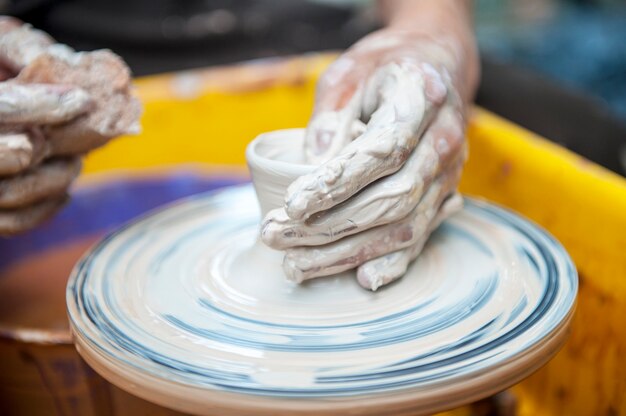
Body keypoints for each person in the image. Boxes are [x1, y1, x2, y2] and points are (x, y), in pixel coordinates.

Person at [0, 0, 479, 290]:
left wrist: (431, 33)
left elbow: (430, 15)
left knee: (540, 116)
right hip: (67, 31)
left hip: (287, 21)